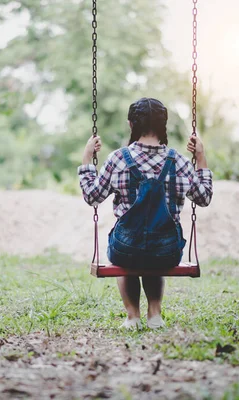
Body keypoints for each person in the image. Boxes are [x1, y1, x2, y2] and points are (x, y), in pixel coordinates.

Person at [78, 97, 213, 329]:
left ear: (131, 125)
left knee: (127, 252)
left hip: (125, 248)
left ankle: (132, 317)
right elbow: (203, 198)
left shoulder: (118, 159)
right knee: (154, 251)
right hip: (167, 250)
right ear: (164, 125)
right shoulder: (179, 161)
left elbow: (92, 196)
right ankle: (155, 315)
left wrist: (87, 158)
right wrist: (200, 157)